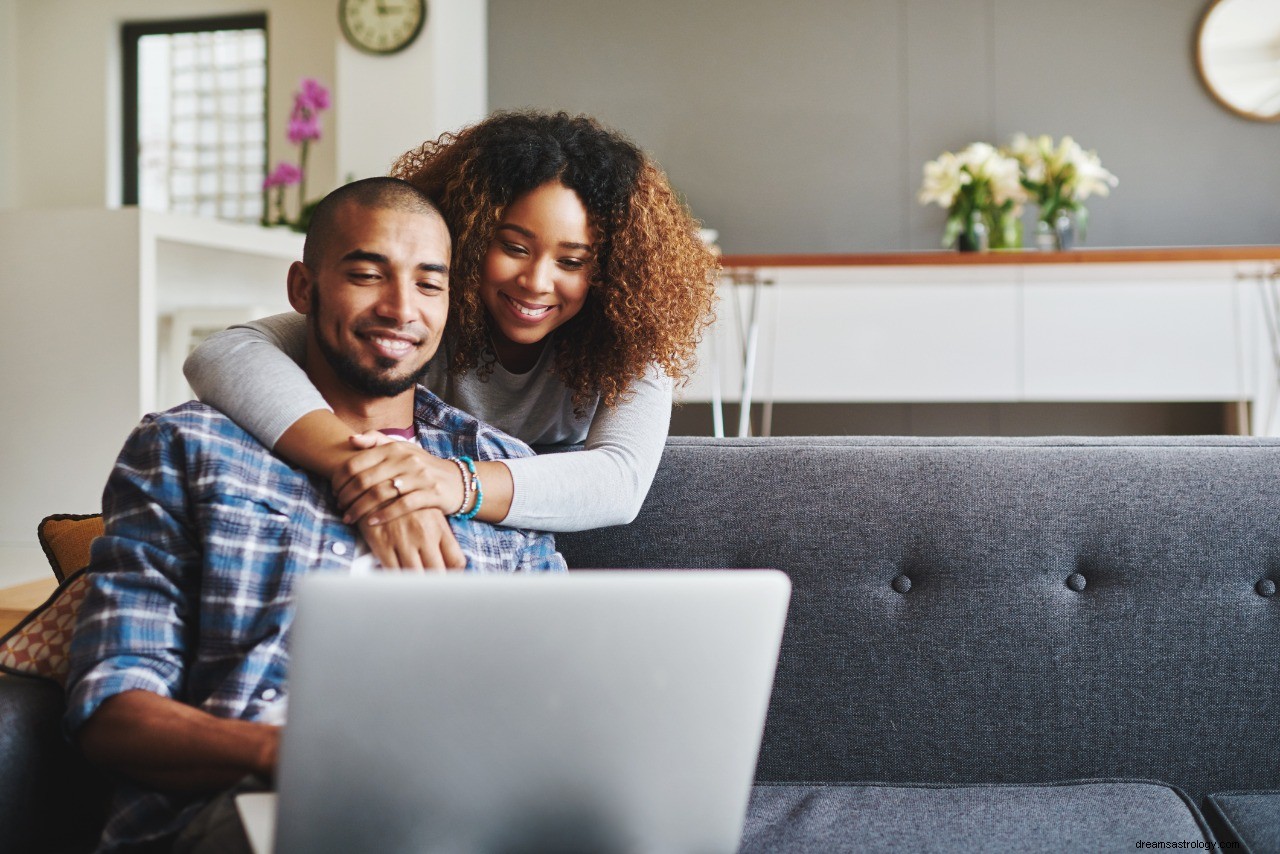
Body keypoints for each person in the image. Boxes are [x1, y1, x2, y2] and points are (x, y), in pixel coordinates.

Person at [65, 177, 566, 854]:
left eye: (428, 283)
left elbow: (559, 699)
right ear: (304, 288)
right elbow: (110, 712)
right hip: (252, 807)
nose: (400, 308)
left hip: (466, 808)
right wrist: (291, 753)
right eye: (367, 274)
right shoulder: (188, 451)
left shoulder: (497, 471)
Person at [185, 110, 720, 569]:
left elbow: (618, 481)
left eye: (572, 261)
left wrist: (448, 482)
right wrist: (377, 474)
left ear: (609, 272)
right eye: (513, 246)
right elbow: (224, 353)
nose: (536, 282)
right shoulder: (417, 318)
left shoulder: (624, 343)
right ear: (469, 232)